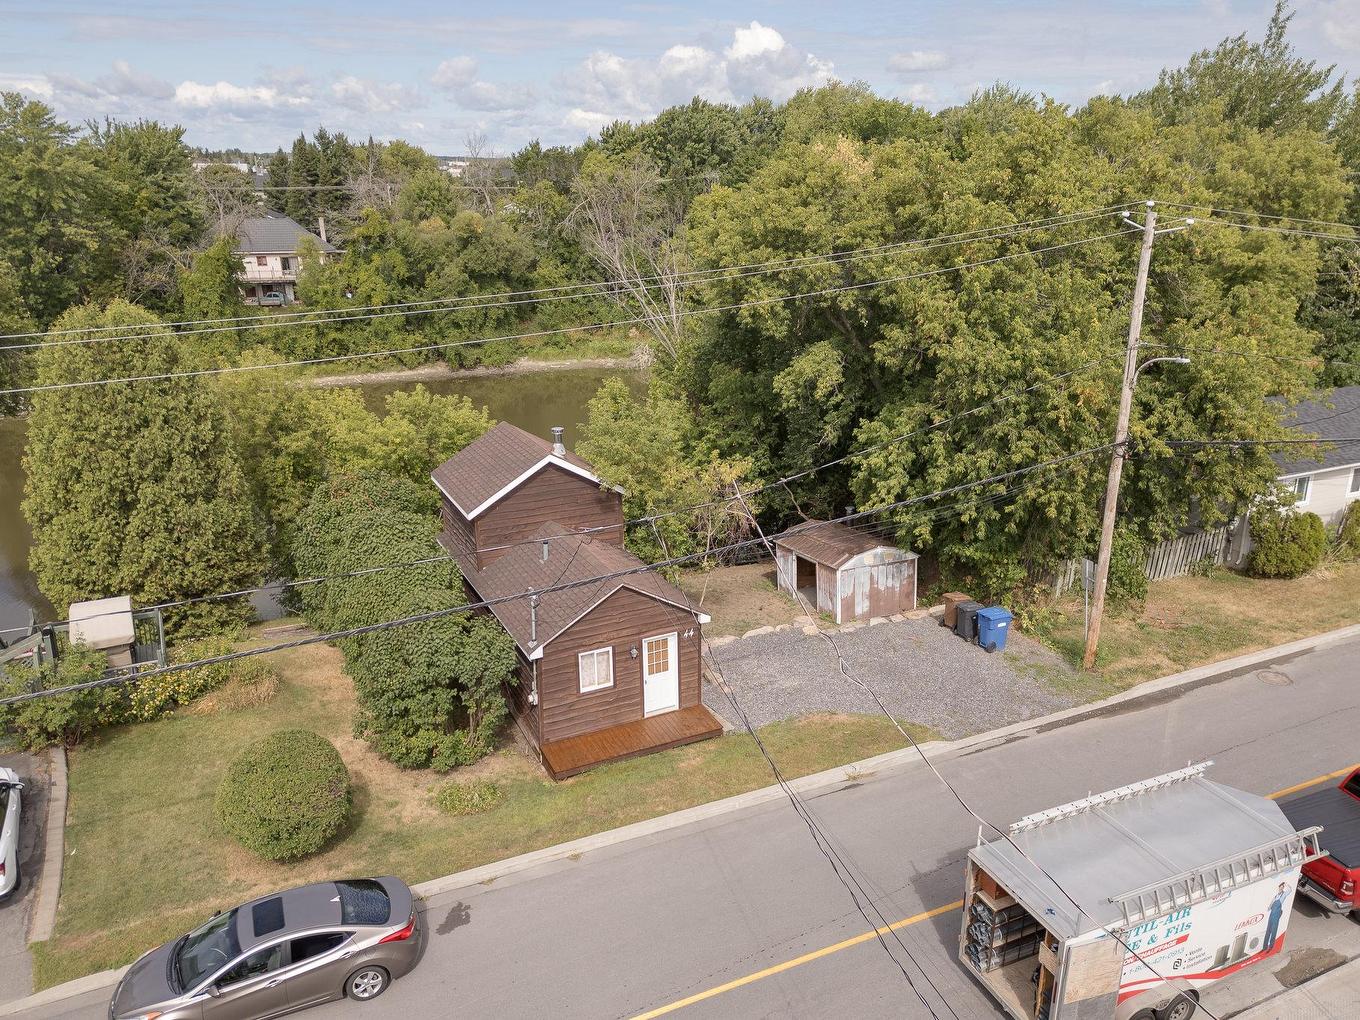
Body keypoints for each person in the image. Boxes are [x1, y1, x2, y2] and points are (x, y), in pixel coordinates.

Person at [1264, 881, 1291, 951]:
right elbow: (1271, 903)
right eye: (1280, 887)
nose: (1280, 888)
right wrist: (1269, 907)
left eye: (1282, 887)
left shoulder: (1283, 895)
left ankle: (1271, 946)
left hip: (1276, 915)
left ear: (1283, 888)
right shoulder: (1276, 896)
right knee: (1268, 930)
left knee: (1274, 930)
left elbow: (1290, 890)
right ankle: (1264, 947)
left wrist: (1286, 885)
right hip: (1271, 914)